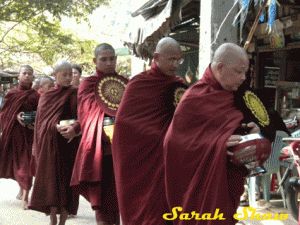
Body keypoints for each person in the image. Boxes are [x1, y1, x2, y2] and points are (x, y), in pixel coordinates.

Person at [162, 43, 287, 225]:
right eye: (238, 72)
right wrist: (217, 144)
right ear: (220, 68)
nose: (243, 78)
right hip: (199, 187)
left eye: (245, 72)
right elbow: (174, 145)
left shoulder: (234, 95)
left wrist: (252, 131)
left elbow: (235, 128)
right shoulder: (195, 97)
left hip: (226, 181)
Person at [112, 37, 186, 225]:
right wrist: (161, 136)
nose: (176, 64)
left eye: (179, 60)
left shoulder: (178, 84)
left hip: (169, 161)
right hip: (142, 161)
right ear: (156, 57)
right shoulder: (139, 83)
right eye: (171, 60)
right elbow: (124, 125)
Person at [70, 43, 124, 225]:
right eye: (104, 59)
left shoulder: (125, 83)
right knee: (102, 207)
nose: (109, 63)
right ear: (95, 61)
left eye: (112, 59)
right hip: (100, 152)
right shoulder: (89, 83)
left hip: (123, 153)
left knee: (120, 205)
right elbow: (87, 113)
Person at [28, 60, 81, 225]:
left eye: (70, 74)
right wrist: (55, 126)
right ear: (55, 75)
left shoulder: (77, 93)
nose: (68, 78)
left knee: (69, 186)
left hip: (71, 145)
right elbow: (41, 124)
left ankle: (63, 221)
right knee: (52, 185)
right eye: (64, 75)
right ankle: (52, 219)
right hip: (52, 148)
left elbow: (84, 117)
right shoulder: (47, 97)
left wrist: (74, 127)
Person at [0, 65, 40, 209]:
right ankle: (22, 189)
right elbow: (3, 114)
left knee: (26, 164)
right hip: (14, 134)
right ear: (19, 76)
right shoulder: (11, 94)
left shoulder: (36, 95)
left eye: (30, 74)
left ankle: (25, 196)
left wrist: (34, 123)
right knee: (17, 163)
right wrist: (15, 116)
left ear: (33, 77)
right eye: (24, 73)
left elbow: (40, 114)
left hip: (29, 135)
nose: (27, 76)